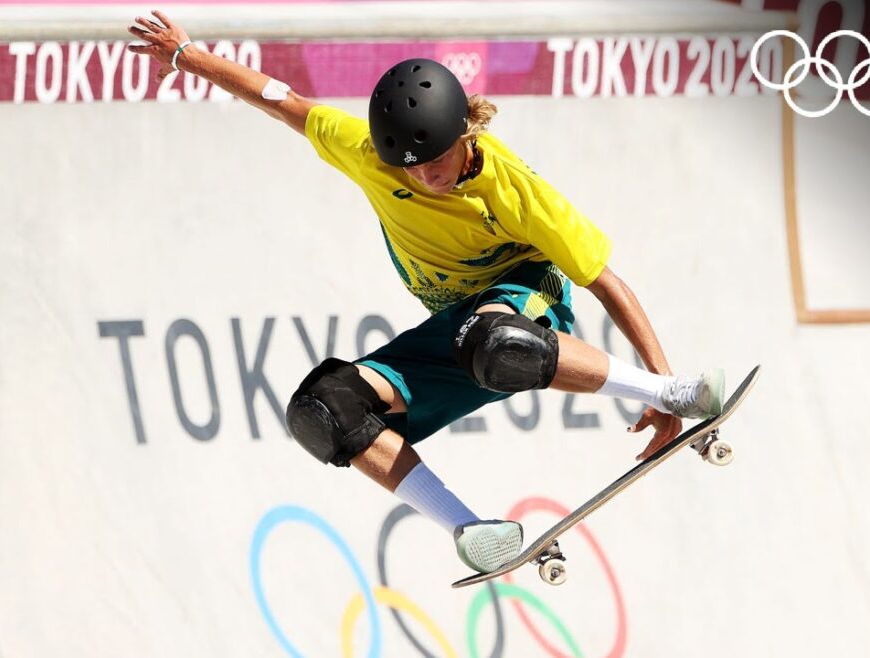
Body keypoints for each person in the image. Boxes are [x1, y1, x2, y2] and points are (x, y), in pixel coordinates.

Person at [129, 11, 725, 573]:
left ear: (464, 132)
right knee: (325, 408)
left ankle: (675, 390)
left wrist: (666, 387)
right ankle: (472, 531)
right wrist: (186, 56)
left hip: (524, 296)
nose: (424, 177)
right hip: (454, 325)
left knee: (493, 340)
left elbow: (606, 282)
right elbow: (283, 100)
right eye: (409, 167)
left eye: (435, 160)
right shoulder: (368, 154)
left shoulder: (514, 191)